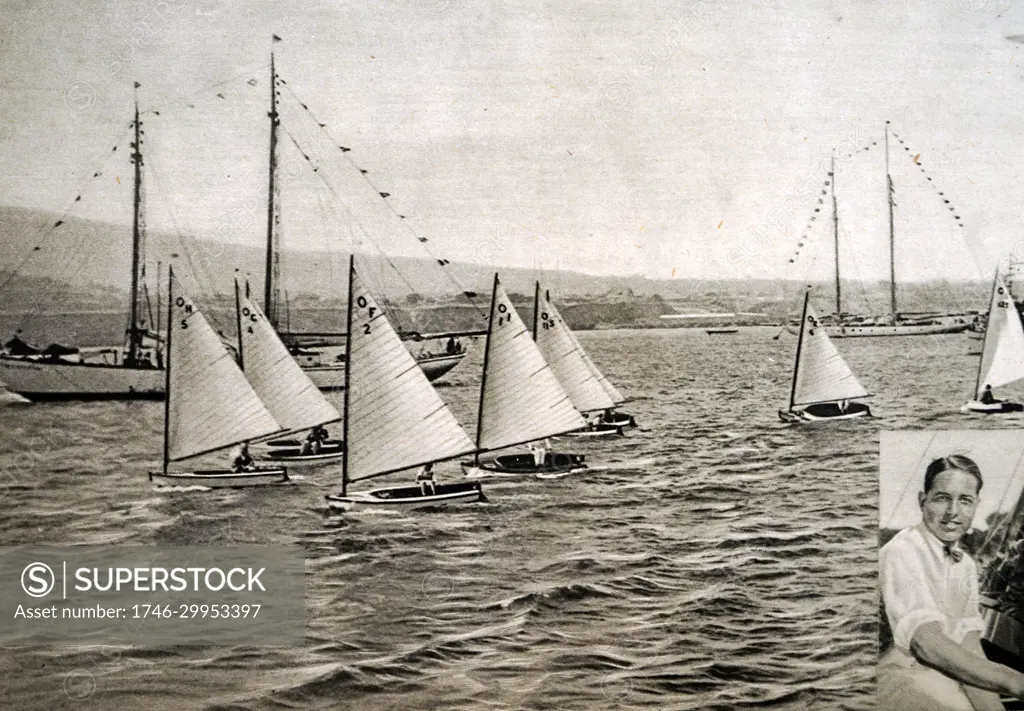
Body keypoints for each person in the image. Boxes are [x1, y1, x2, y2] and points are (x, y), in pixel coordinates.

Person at [879, 454, 1024, 710]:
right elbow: (925, 643)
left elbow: (968, 645)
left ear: (976, 505)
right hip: (900, 680)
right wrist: (1012, 680)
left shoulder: (964, 564)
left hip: (944, 679)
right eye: (942, 498)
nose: (952, 512)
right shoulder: (902, 551)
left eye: (965, 501)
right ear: (922, 501)